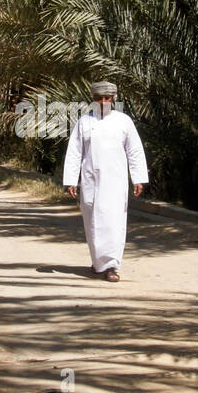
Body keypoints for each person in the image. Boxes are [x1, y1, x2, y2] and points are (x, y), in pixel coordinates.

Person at [62, 80, 148, 282]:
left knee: (115, 222)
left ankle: (111, 266)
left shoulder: (124, 121)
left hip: (116, 181)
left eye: (107, 98)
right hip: (91, 180)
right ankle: (98, 262)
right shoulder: (84, 122)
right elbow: (75, 152)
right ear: (93, 99)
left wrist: (138, 178)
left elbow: (134, 150)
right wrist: (71, 180)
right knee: (92, 221)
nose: (103, 101)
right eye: (99, 98)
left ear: (113, 99)